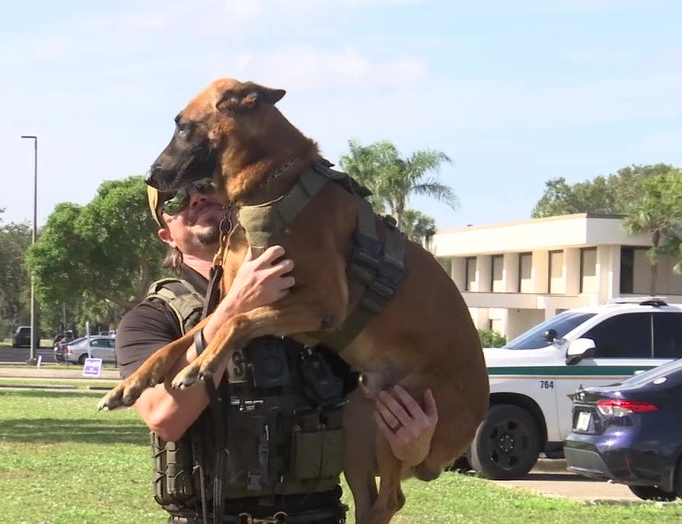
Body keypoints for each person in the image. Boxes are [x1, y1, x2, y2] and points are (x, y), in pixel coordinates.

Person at [116, 176, 439, 524]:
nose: (196, 198)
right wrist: (236, 306)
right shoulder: (152, 318)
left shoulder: (312, 305)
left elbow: (366, 409)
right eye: (176, 198)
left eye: (207, 184)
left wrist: (414, 450)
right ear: (167, 236)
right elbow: (165, 417)